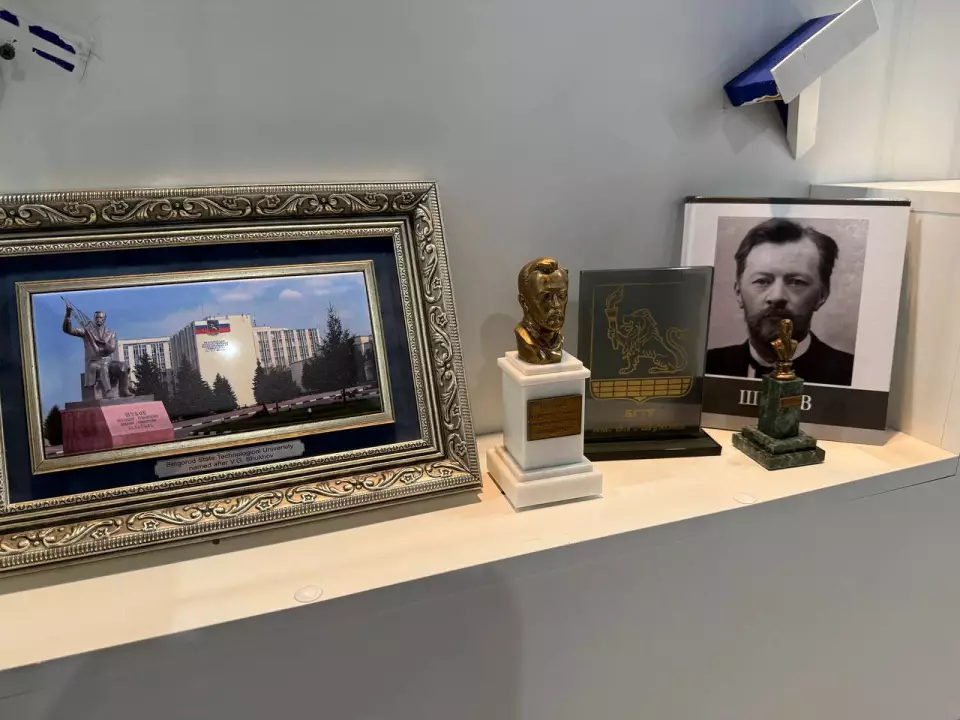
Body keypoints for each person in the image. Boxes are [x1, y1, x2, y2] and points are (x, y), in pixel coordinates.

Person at [706, 218, 854, 386]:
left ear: (822, 295)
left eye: (796, 282)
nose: (777, 296)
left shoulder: (850, 374)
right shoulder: (704, 367)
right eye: (762, 281)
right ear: (738, 292)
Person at [62, 303, 133, 400]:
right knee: (103, 367)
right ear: (94, 318)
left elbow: (112, 348)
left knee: (124, 365)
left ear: (104, 319)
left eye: (100, 317)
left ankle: (124, 390)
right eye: (96, 317)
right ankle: (108, 391)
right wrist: (68, 314)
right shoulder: (87, 331)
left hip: (108, 361)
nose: (98, 319)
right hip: (94, 362)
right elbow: (68, 330)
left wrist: (104, 344)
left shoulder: (111, 333)